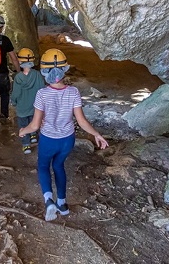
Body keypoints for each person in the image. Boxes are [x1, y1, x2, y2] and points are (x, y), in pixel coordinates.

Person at [19, 48, 108, 221]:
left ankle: (48, 201)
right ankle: (62, 204)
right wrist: (97, 134)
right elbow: (81, 121)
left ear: (44, 71)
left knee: (44, 166)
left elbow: (35, 124)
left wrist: (23, 131)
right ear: (65, 69)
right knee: (59, 166)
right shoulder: (73, 92)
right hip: (67, 140)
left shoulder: (42, 94)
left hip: (48, 140)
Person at [11, 48, 45, 154]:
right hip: (35, 106)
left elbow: (16, 93)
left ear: (20, 61)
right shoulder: (37, 75)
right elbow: (42, 89)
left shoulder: (18, 78)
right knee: (33, 119)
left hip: (22, 107)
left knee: (23, 125)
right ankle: (33, 135)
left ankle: (26, 146)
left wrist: (14, 102)